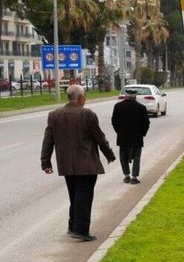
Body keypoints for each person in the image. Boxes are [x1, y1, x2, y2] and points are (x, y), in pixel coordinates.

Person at [41, 84, 116, 242]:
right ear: (81, 98)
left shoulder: (54, 115)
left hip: (66, 164)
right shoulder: (87, 114)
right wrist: (109, 154)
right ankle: (81, 230)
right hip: (86, 164)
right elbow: (99, 137)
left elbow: (48, 140)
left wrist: (45, 161)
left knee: (74, 195)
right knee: (84, 196)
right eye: (85, 96)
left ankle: (72, 226)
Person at [111, 91, 150, 184]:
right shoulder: (141, 108)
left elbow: (114, 122)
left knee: (123, 156)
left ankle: (126, 175)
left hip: (122, 136)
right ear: (135, 96)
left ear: (126, 96)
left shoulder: (118, 106)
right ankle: (134, 177)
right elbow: (146, 123)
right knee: (136, 157)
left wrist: (119, 131)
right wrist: (142, 133)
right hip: (137, 137)